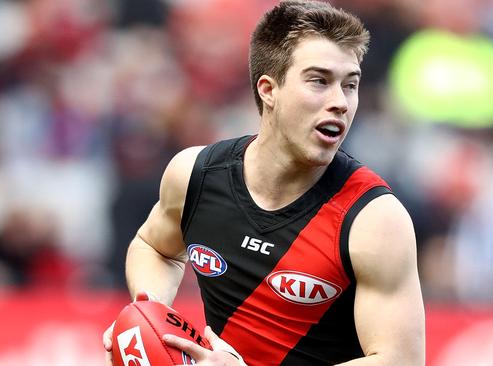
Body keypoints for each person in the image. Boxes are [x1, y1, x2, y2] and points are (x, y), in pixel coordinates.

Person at [103, 1, 425, 365]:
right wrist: (152, 318)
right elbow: (154, 247)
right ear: (269, 90)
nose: (341, 102)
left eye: (350, 85)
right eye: (319, 81)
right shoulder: (195, 174)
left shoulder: (374, 219)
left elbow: (400, 360)